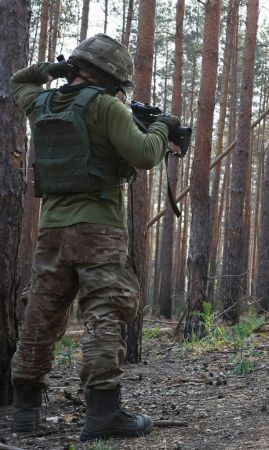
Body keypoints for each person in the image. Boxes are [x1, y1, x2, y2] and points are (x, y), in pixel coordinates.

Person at [9, 33, 180, 441]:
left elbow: (20, 82)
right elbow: (143, 155)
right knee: (104, 314)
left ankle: (25, 415)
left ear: (79, 67)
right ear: (112, 76)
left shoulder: (43, 102)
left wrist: (52, 70)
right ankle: (103, 413)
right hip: (99, 228)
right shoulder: (106, 106)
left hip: (51, 229)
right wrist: (161, 128)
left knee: (40, 317)